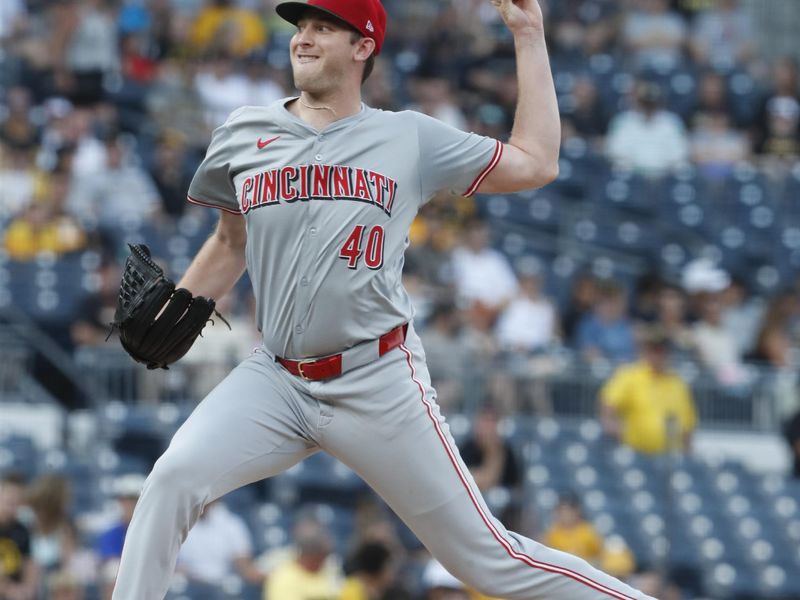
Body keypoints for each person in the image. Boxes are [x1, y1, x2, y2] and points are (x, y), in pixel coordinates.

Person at [112, 1, 651, 598]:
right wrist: (178, 303)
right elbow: (230, 240)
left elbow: (537, 162)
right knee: (170, 479)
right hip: (277, 379)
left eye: (323, 28)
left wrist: (528, 35)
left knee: (484, 559)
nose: (303, 40)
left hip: (376, 378)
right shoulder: (243, 131)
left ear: (363, 47)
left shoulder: (407, 137)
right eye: (300, 29)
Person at [600, 328, 698, 455]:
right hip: (635, 453)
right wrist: (620, 432)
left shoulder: (678, 384)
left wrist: (687, 454)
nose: (657, 355)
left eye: (661, 350)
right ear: (645, 351)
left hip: (669, 456)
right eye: (653, 350)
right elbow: (608, 406)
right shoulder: (630, 375)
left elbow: (687, 425)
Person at [264, 515, 342, 600]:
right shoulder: (283, 579)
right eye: (323, 555)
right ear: (311, 556)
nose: (326, 559)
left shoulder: (331, 569)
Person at [0, 473, 38, 600]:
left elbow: (29, 562)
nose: (13, 504)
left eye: (18, 500)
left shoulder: (22, 530)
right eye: (10, 499)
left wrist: (28, 588)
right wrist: (8, 589)